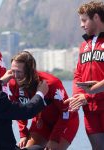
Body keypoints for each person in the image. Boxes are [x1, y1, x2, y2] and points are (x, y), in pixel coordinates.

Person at [3, 51, 79, 150]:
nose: (15, 76)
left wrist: (54, 139)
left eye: (19, 71)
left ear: (29, 71)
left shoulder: (51, 83)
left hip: (65, 120)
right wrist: (23, 133)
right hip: (42, 122)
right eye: (13, 71)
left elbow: (66, 112)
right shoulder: (13, 83)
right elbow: (19, 111)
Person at [66, 1, 104, 150]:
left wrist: (88, 95)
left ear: (95, 17)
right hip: (90, 110)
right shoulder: (84, 46)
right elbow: (78, 75)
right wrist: (77, 98)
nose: (81, 25)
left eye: (84, 20)